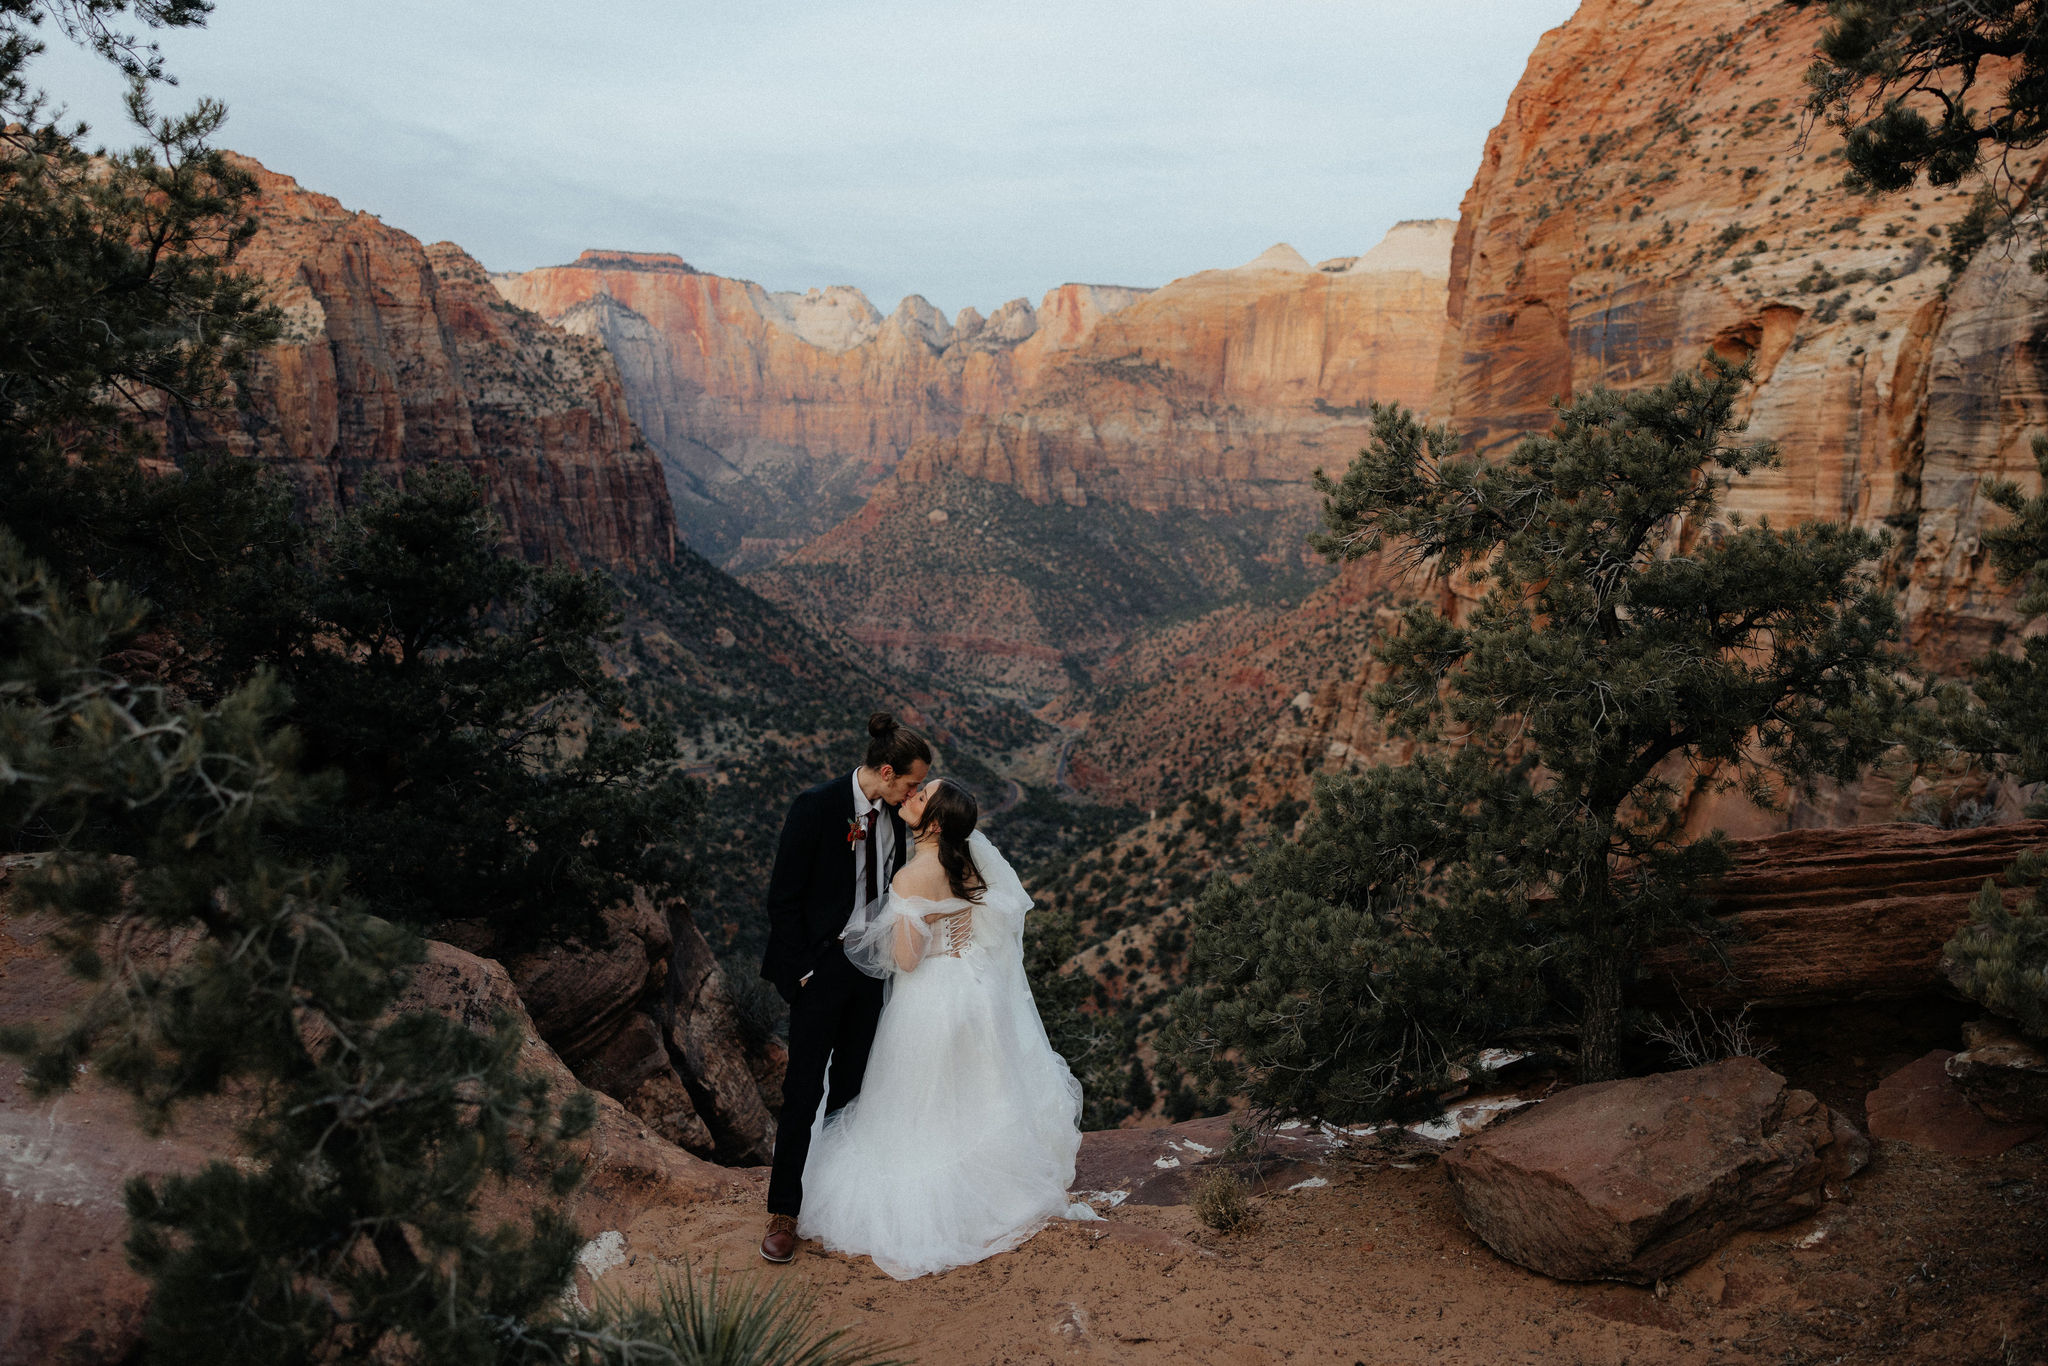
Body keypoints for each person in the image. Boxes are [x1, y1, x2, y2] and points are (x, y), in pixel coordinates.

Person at [795, 777, 1095, 1279]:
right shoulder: (969, 858)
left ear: (932, 821)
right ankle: (998, 1185)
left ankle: (942, 1202)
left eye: (920, 795)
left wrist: (886, 937)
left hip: (931, 995)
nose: (909, 795)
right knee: (976, 1088)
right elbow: (986, 921)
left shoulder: (912, 878)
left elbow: (907, 960)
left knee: (921, 1103)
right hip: (974, 988)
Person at [758, 712, 931, 1264]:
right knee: (802, 1092)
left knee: (853, 1091)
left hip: (871, 970)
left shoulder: (897, 820)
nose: (914, 793)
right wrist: (800, 974)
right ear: (886, 771)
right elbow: (782, 899)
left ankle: (833, 1203)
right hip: (821, 970)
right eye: (910, 783)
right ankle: (784, 1213)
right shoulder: (816, 806)